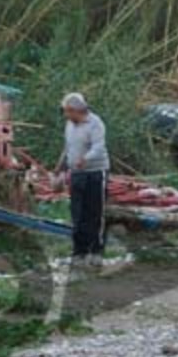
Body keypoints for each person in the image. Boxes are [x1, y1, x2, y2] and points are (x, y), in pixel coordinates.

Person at [53, 92, 109, 267]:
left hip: (95, 172)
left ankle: (96, 251)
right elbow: (68, 146)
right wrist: (60, 164)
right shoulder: (70, 125)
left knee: (95, 212)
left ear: (76, 110)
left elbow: (99, 147)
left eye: (67, 112)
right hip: (76, 173)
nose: (66, 116)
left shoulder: (95, 123)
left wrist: (85, 159)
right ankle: (79, 251)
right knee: (78, 213)